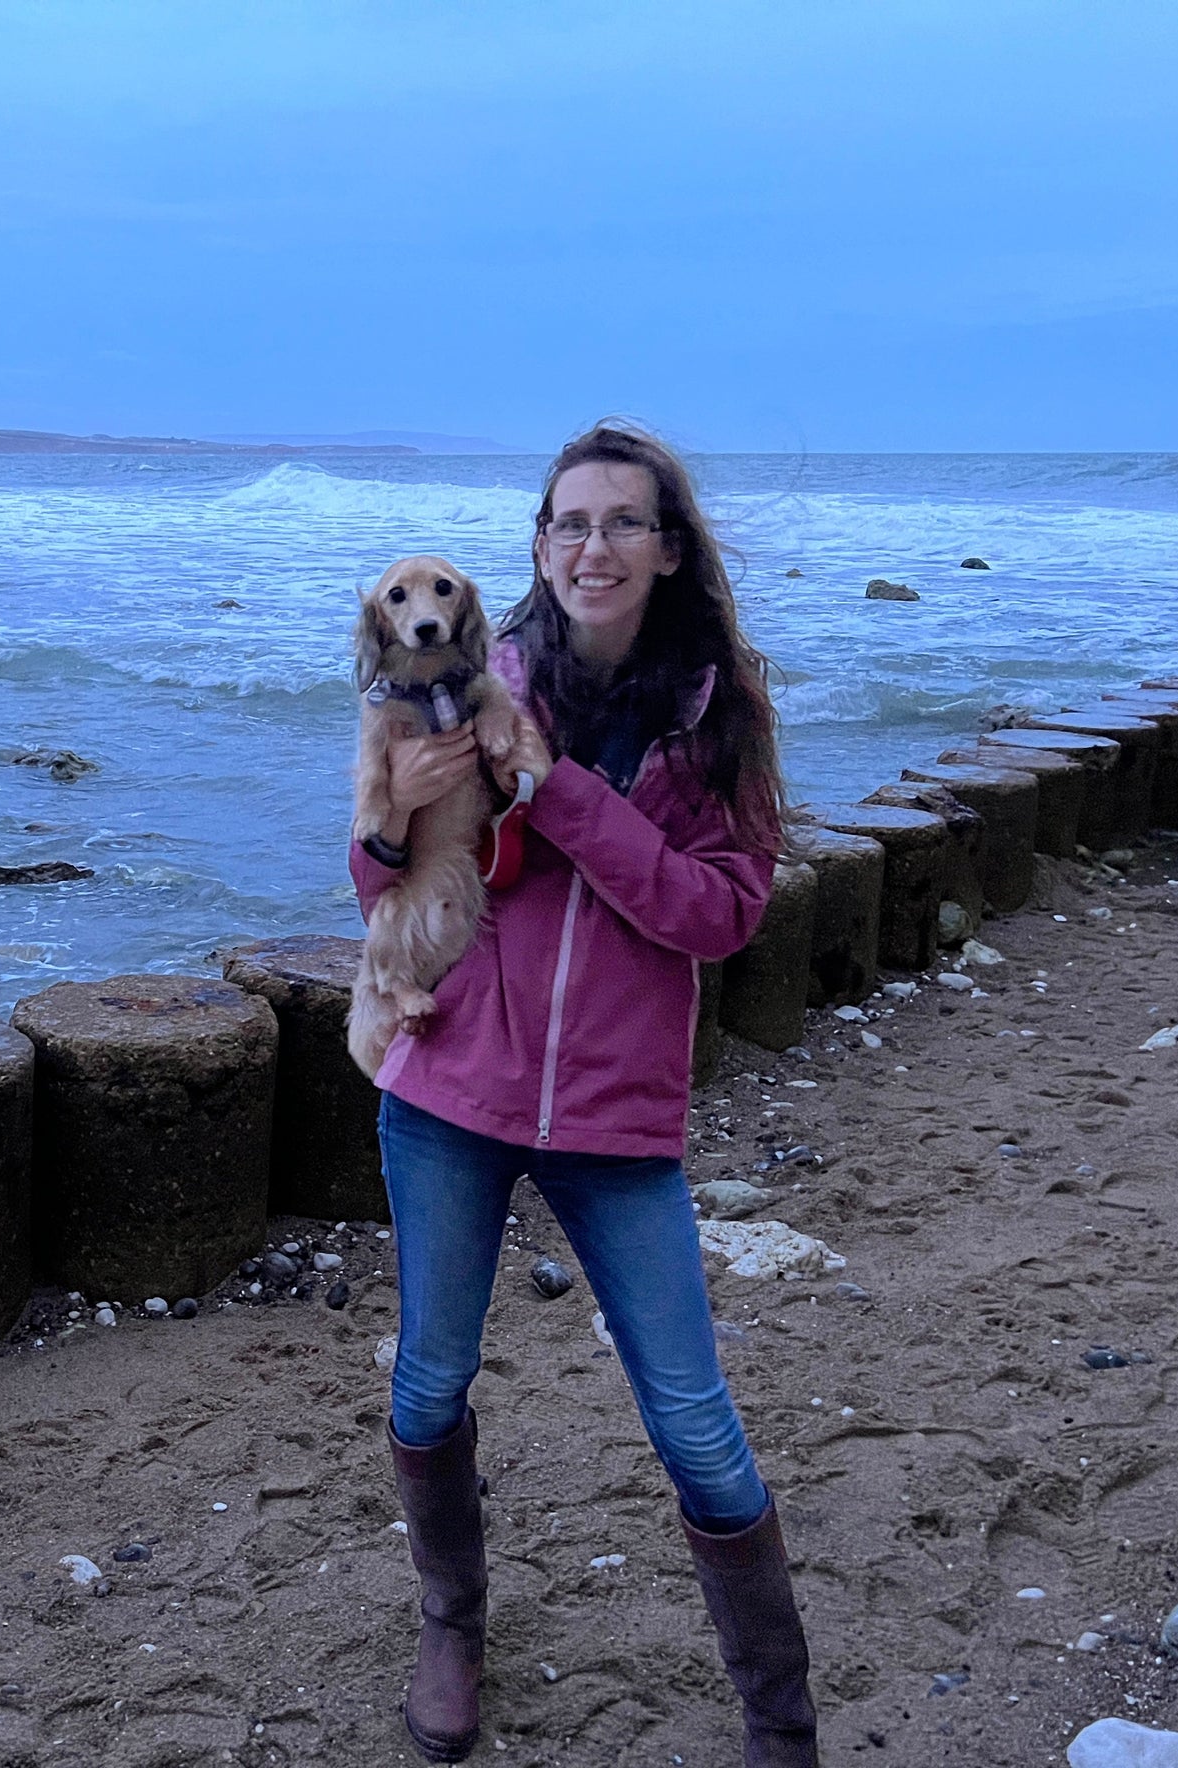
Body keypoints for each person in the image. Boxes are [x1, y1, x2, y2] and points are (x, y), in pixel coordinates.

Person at [349, 422, 818, 1766]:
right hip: (452, 1088)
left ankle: (779, 1726)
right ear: (538, 550)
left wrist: (558, 801)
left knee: (698, 1426)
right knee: (429, 1383)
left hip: (618, 1115)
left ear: (669, 551)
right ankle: (452, 1623)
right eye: (568, 524)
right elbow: (387, 885)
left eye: (622, 523)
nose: (592, 547)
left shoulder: (715, 716)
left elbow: (719, 916)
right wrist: (392, 830)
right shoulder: (466, 684)